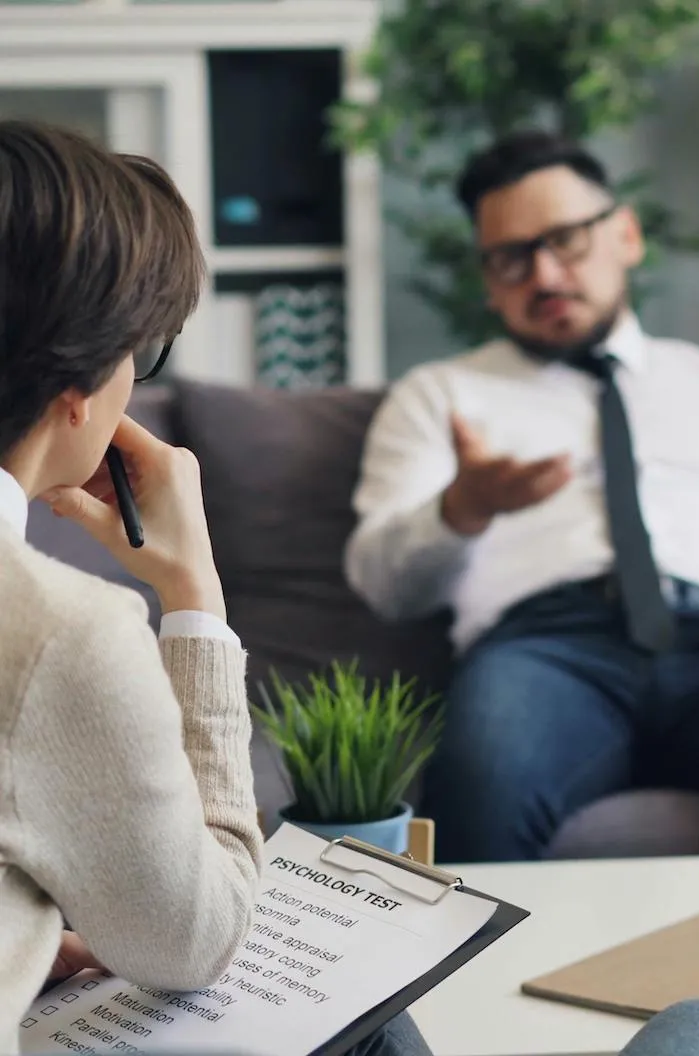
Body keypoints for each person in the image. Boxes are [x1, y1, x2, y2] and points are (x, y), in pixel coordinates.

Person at [0, 119, 427, 1056]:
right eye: (137, 356)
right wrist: (194, 593)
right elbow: (201, 938)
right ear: (78, 386)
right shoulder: (57, 630)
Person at [346, 129, 699, 864]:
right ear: (488, 281)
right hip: (545, 652)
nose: (545, 274)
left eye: (566, 240)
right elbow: (384, 585)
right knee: (480, 774)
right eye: (511, 258)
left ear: (624, 234)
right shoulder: (441, 396)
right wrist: (463, 507)